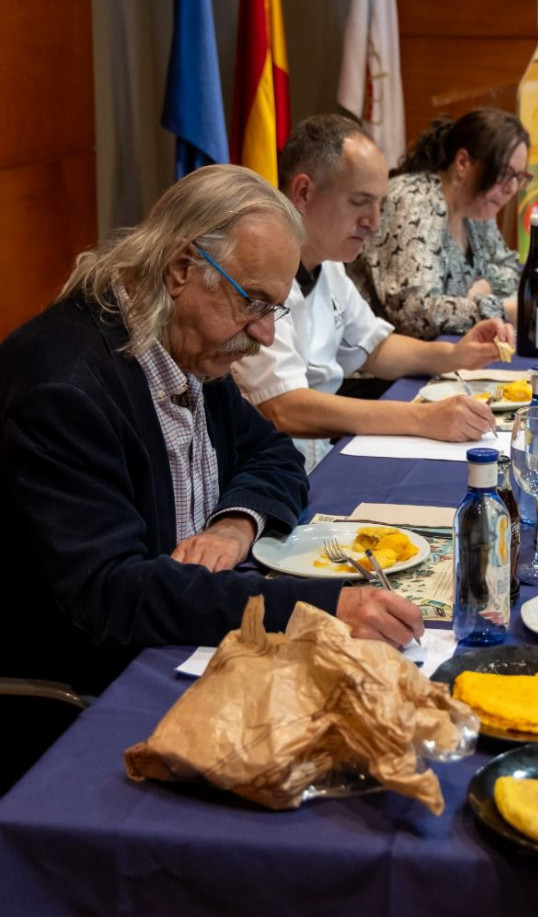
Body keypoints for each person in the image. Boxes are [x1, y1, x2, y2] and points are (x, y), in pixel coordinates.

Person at [0, 165, 423, 697]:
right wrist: (318, 608)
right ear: (181, 268)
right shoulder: (64, 390)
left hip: (179, 632)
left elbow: (273, 453)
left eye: (275, 309)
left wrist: (234, 525)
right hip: (96, 687)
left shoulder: (187, 341)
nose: (266, 335)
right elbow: (112, 595)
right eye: (252, 302)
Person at [232, 114, 513, 472]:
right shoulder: (255, 271)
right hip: (265, 473)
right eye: (359, 202)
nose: (375, 221)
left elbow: (375, 348)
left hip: (319, 459)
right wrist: (421, 419)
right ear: (304, 192)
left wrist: (456, 354)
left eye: (378, 203)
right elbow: (282, 407)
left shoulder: (328, 263)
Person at [348, 107, 529, 339]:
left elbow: (509, 268)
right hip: (381, 365)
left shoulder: (476, 208)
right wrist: (502, 310)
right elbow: (414, 313)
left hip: (438, 354)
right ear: (463, 162)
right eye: (503, 173)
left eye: (519, 177)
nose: (512, 188)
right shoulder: (413, 200)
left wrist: (480, 290)